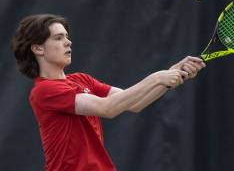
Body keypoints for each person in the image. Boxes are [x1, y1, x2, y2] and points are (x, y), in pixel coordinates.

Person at [11, 14, 206, 171]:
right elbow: (108, 108)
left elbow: (133, 103)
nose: (68, 42)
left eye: (67, 37)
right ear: (37, 48)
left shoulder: (81, 79)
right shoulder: (44, 90)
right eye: (58, 38)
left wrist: (171, 76)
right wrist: (157, 78)